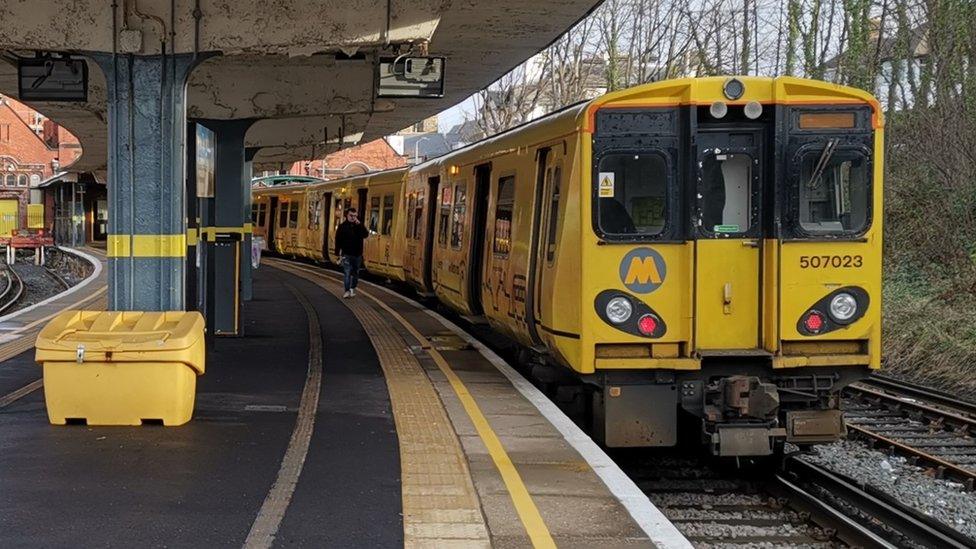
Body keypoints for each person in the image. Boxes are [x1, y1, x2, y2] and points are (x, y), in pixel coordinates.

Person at [334, 207, 369, 298]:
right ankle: (347, 290)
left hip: (357, 254)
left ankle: (352, 288)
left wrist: (360, 225)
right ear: (347, 215)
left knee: (356, 273)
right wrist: (337, 253)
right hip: (347, 254)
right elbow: (338, 240)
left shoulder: (359, 226)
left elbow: (366, 234)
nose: (353, 217)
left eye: (355, 216)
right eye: (351, 215)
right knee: (347, 273)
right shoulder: (342, 227)